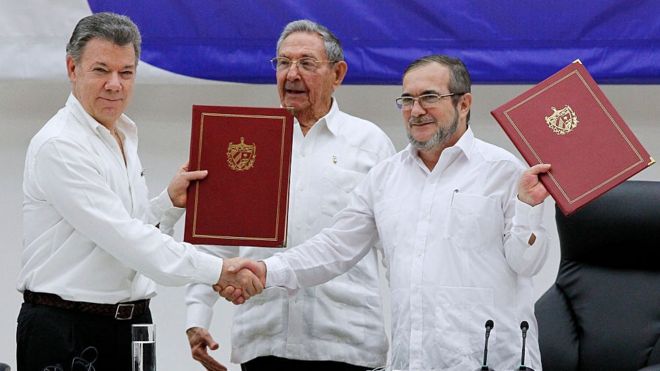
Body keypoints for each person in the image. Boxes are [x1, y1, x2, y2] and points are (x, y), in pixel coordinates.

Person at [228, 55, 553, 370]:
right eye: (407, 100)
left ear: (463, 103)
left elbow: (528, 263)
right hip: (412, 359)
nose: (416, 111)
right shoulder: (385, 178)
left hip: (491, 359)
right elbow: (334, 247)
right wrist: (265, 270)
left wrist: (529, 208)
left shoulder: (504, 170)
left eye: (429, 97)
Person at [16, 12, 261, 371]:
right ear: (72, 69)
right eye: (101, 70)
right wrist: (220, 269)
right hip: (66, 330)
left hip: (131, 327)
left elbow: (128, 231)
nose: (115, 84)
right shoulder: (60, 144)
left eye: (126, 72)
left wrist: (169, 204)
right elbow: (127, 239)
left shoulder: (124, 133)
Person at [185, 19, 394, 371]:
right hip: (263, 341)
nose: (291, 74)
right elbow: (215, 240)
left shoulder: (370, 144)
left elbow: (395, 246)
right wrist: (197, 315)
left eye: (306, 63)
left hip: (347, 344)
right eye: (283, 63)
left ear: (338, 74)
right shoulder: (244, 143)